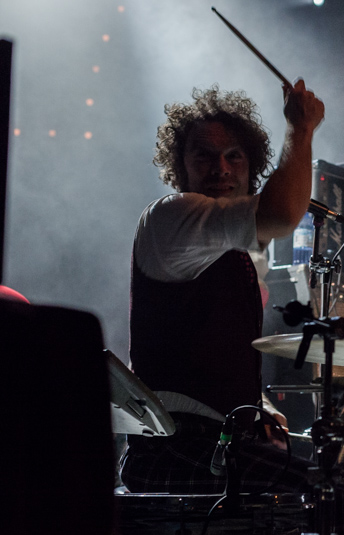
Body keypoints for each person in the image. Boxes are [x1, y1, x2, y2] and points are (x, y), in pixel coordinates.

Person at [119, 80, 325, 494]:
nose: (222, 169)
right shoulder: (173, 216)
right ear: (180, 167)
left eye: (235, 156)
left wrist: (258, 410)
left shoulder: (230, 249)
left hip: (213, 440)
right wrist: (300, 130)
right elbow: (283, 213)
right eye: (205, 156)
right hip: (174, 446)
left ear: (252, 167)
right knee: (323, 496)